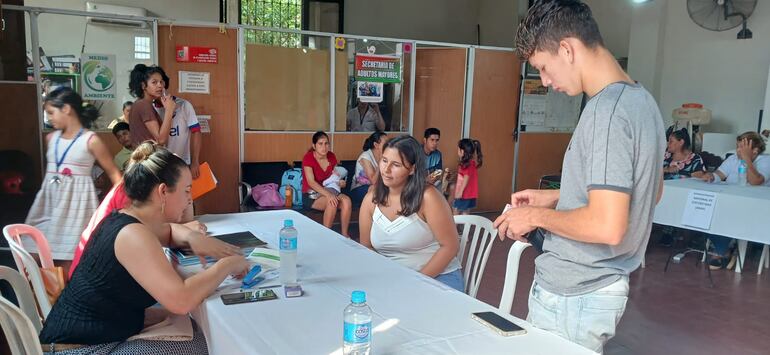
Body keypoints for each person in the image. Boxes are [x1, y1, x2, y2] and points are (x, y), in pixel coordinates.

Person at [494, 1, 665, 352]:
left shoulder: (607, 113)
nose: (545, 80)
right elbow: (649, 192)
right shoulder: (641, 101)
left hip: (575, 293)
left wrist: (533, 217)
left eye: (542, 67)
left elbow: (607, 225)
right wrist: (558, 196)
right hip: (598, 287)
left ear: (568, 49)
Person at [38, 142, 248, 354]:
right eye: (186, 191)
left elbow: (169, 232)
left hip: (97, 332)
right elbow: (181, 300)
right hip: (76, 349)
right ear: (163, 191)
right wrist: (228, 265)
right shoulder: (132, 235)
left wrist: (194, 238)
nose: (189, 200)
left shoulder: (127, 219)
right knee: (204, 343)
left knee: (196, 328)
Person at [24, 88, 122, 269]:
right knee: (31, 253)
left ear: (67, 109)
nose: (49, 118)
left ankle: (62, 296)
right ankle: (37, 294)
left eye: (51, 113)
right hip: (49, 204)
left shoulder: (91, 140)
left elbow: (115, 175)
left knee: (68, 261)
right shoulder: (51, 138)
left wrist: (116, 207)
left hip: (76, 207)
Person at [358, 135, 463, 291]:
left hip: (436, 276)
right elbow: (366, 247)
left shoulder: (428, 197)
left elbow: (450, 246)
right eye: (384, 161)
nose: (386, 170)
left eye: (396, 164)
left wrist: (414, 281)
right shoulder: (370, 201)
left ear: (413, 168)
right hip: (393, 279)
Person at [692, 131, 770, 269]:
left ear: (755, 150)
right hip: (730, 202)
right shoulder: (733, 159)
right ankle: (727, 248)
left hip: (753, 208)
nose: (737, 150)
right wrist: (710, 176)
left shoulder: (765, 160)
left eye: (742, 147)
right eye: (737, 146)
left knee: (723, 214)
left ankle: (722, 251)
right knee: (704, 211)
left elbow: (756, 181)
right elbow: (720, 174)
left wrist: (747, 159)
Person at [129, 64, 202, 179]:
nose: (159, 86)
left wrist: (195, 161)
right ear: (143, 85)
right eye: (154, 82)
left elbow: (196, 132)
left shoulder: (182, 104)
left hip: (163, 163)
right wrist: (169, 110)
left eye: (161, 82)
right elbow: (161, 139)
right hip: (150, 165)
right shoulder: (144, 105)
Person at [302, 131, 353, 237]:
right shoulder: (308, 158)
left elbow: (333, 177)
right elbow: (311, 182)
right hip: (312, 194)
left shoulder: (331, 156)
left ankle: (345, 235)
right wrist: (328, 195)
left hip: (331, 190)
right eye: (320, 144)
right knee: (332, 202)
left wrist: (339, 182)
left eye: (326, 144)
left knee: (347, 201)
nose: (324, 147)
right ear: (314, 146)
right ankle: (326, 237)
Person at [350, 131, 388, 205]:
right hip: (358, 189)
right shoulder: (365, 157)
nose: (389, 145)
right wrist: (381, 162)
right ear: (376, 145)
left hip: (377, 187)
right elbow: (373, 181)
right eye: (386, 143)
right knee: (376, 190)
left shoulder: (386, 155)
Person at [453, 139, 483, 215]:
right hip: (471, 194)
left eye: (458, 149)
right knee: (466, 212)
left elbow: (466, 178)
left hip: (464, 195)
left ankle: (454, 226)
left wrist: (460, 192)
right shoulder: (472, 163)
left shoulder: (465, 165)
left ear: (462, 151)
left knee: (456, 209)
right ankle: (465, 226)